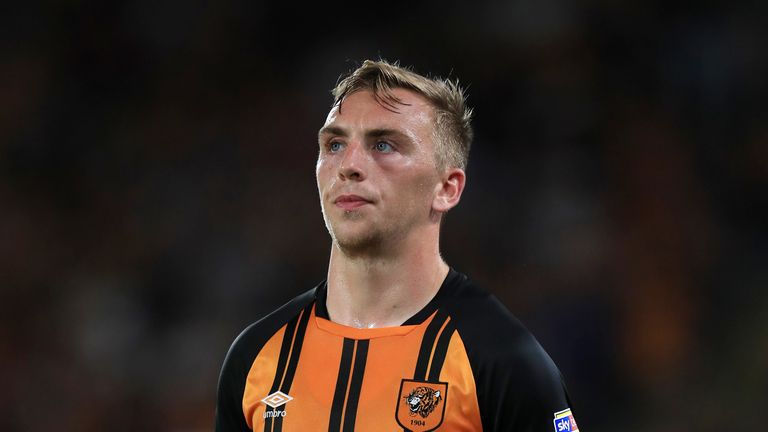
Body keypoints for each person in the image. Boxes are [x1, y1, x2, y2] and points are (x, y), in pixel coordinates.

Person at [215, 59, 579, 432]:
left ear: (447, 188)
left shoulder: (502, 361)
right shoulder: (257, 356)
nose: (349, 165)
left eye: (384, 144)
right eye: (335, 144)